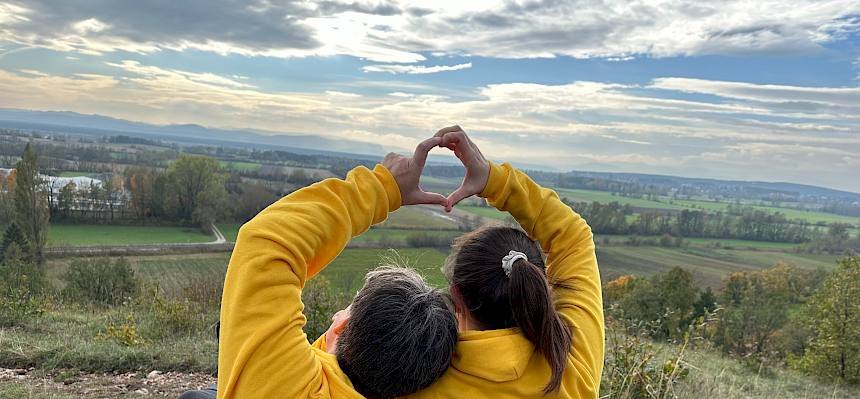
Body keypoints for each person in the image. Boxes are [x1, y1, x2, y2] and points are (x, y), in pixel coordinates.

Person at [214, 137, 459, 399]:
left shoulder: (281, 387)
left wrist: (383, 187)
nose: (336, 315)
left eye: (347, 310)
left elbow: (266, 241)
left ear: (341, 327)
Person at [399, 126, 605, 398]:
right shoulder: (571, 364)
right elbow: (573, 235)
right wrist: (492, 180)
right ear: (537, 282)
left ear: (456, 295)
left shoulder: (412, 385)